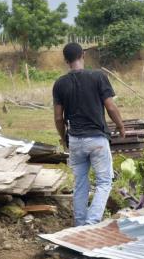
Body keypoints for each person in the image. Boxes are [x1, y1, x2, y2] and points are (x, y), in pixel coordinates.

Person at [52, 43, 126, 226]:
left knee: (80, 185)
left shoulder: (60, 84)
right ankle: (91, 223)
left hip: (75, 140)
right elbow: (110, 106)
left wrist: (64, 138)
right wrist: (121, 126)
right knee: (104, 182)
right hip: (97, 139)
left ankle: (79, 224)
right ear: (83, 55)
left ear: (66, 60)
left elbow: (58, 118)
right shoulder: (98, 77)